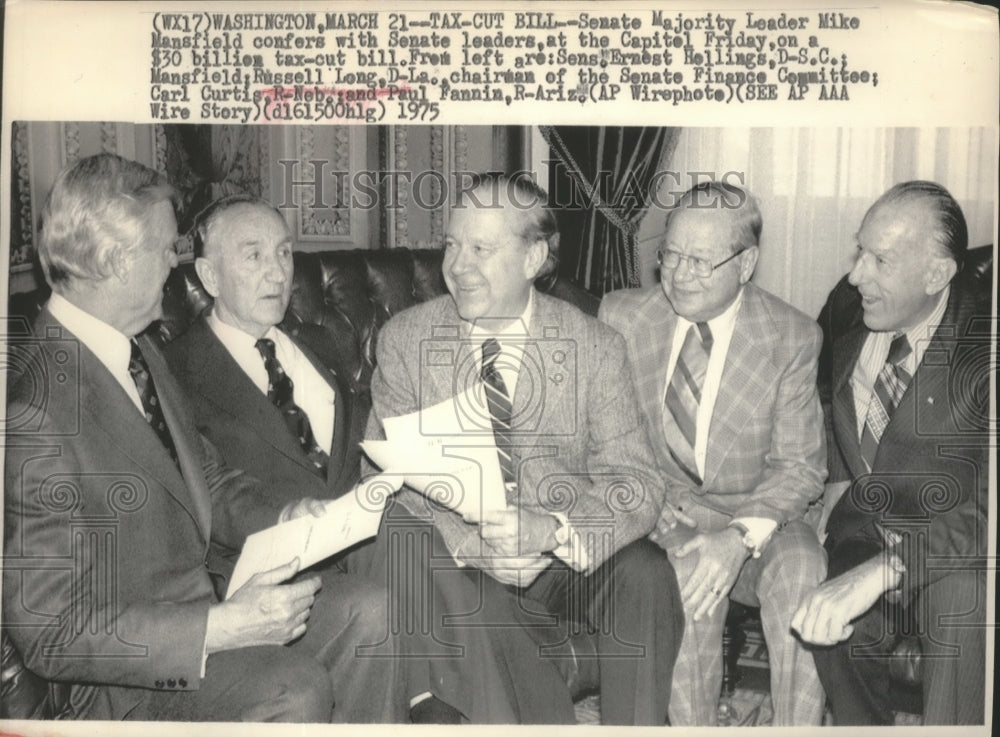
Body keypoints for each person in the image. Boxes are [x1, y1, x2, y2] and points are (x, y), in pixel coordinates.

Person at [2, 153, 406, 722]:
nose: (175, 266)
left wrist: (289, 514)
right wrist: (218, 628)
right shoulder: (36, 409)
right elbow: (51, 629)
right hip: (130, 680)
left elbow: (207, 476)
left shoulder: (137, 350)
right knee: (293, 688)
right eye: (167, 248)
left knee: (372, 609)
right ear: (119, 260)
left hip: (209, 601)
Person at [164, 193, 574, 723]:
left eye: (285, 253)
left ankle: (453, 709)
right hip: (276, 570)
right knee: (416, 546)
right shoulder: (177, 373)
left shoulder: (318, 345)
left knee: (424, 542)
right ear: (209, 276)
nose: (277, 273)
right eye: (254, 256)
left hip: (366, 541)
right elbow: (208, 497)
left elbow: (374, 436)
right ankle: (463, 710)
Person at [367, 172, 685, 725]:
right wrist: (474, 545)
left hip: (559, 557)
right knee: (468, 596)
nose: (456, 266)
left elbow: (637, 482)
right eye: (452, 245)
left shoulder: (594, 346)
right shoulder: (406, 340)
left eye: (481, 249)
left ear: (533, 257)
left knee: (647, 573)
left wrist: (554, 528)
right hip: (459, 562)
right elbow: (384, 482)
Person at [600, 181, 828, 726]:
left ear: (745, 264)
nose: (680, 275)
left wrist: (737, 536)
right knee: (686, 573)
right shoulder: (622, 317)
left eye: (701, 261)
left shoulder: (792, 337)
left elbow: (800, 468)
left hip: (761, 515)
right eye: (671, 255)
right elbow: (602, 439)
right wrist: (646, 503)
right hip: (664, 509)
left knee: (803, 570)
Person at [792, 181, 990, 725]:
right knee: (832, 617)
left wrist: (888, 569)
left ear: (936, 275)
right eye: (860, 250)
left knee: (964, 608)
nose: (857, 274)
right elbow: (826, 391)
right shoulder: (848, 305)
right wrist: (835, 480)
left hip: (954, 544)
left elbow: (988, 508)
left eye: (879, 260)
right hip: (868, 521)